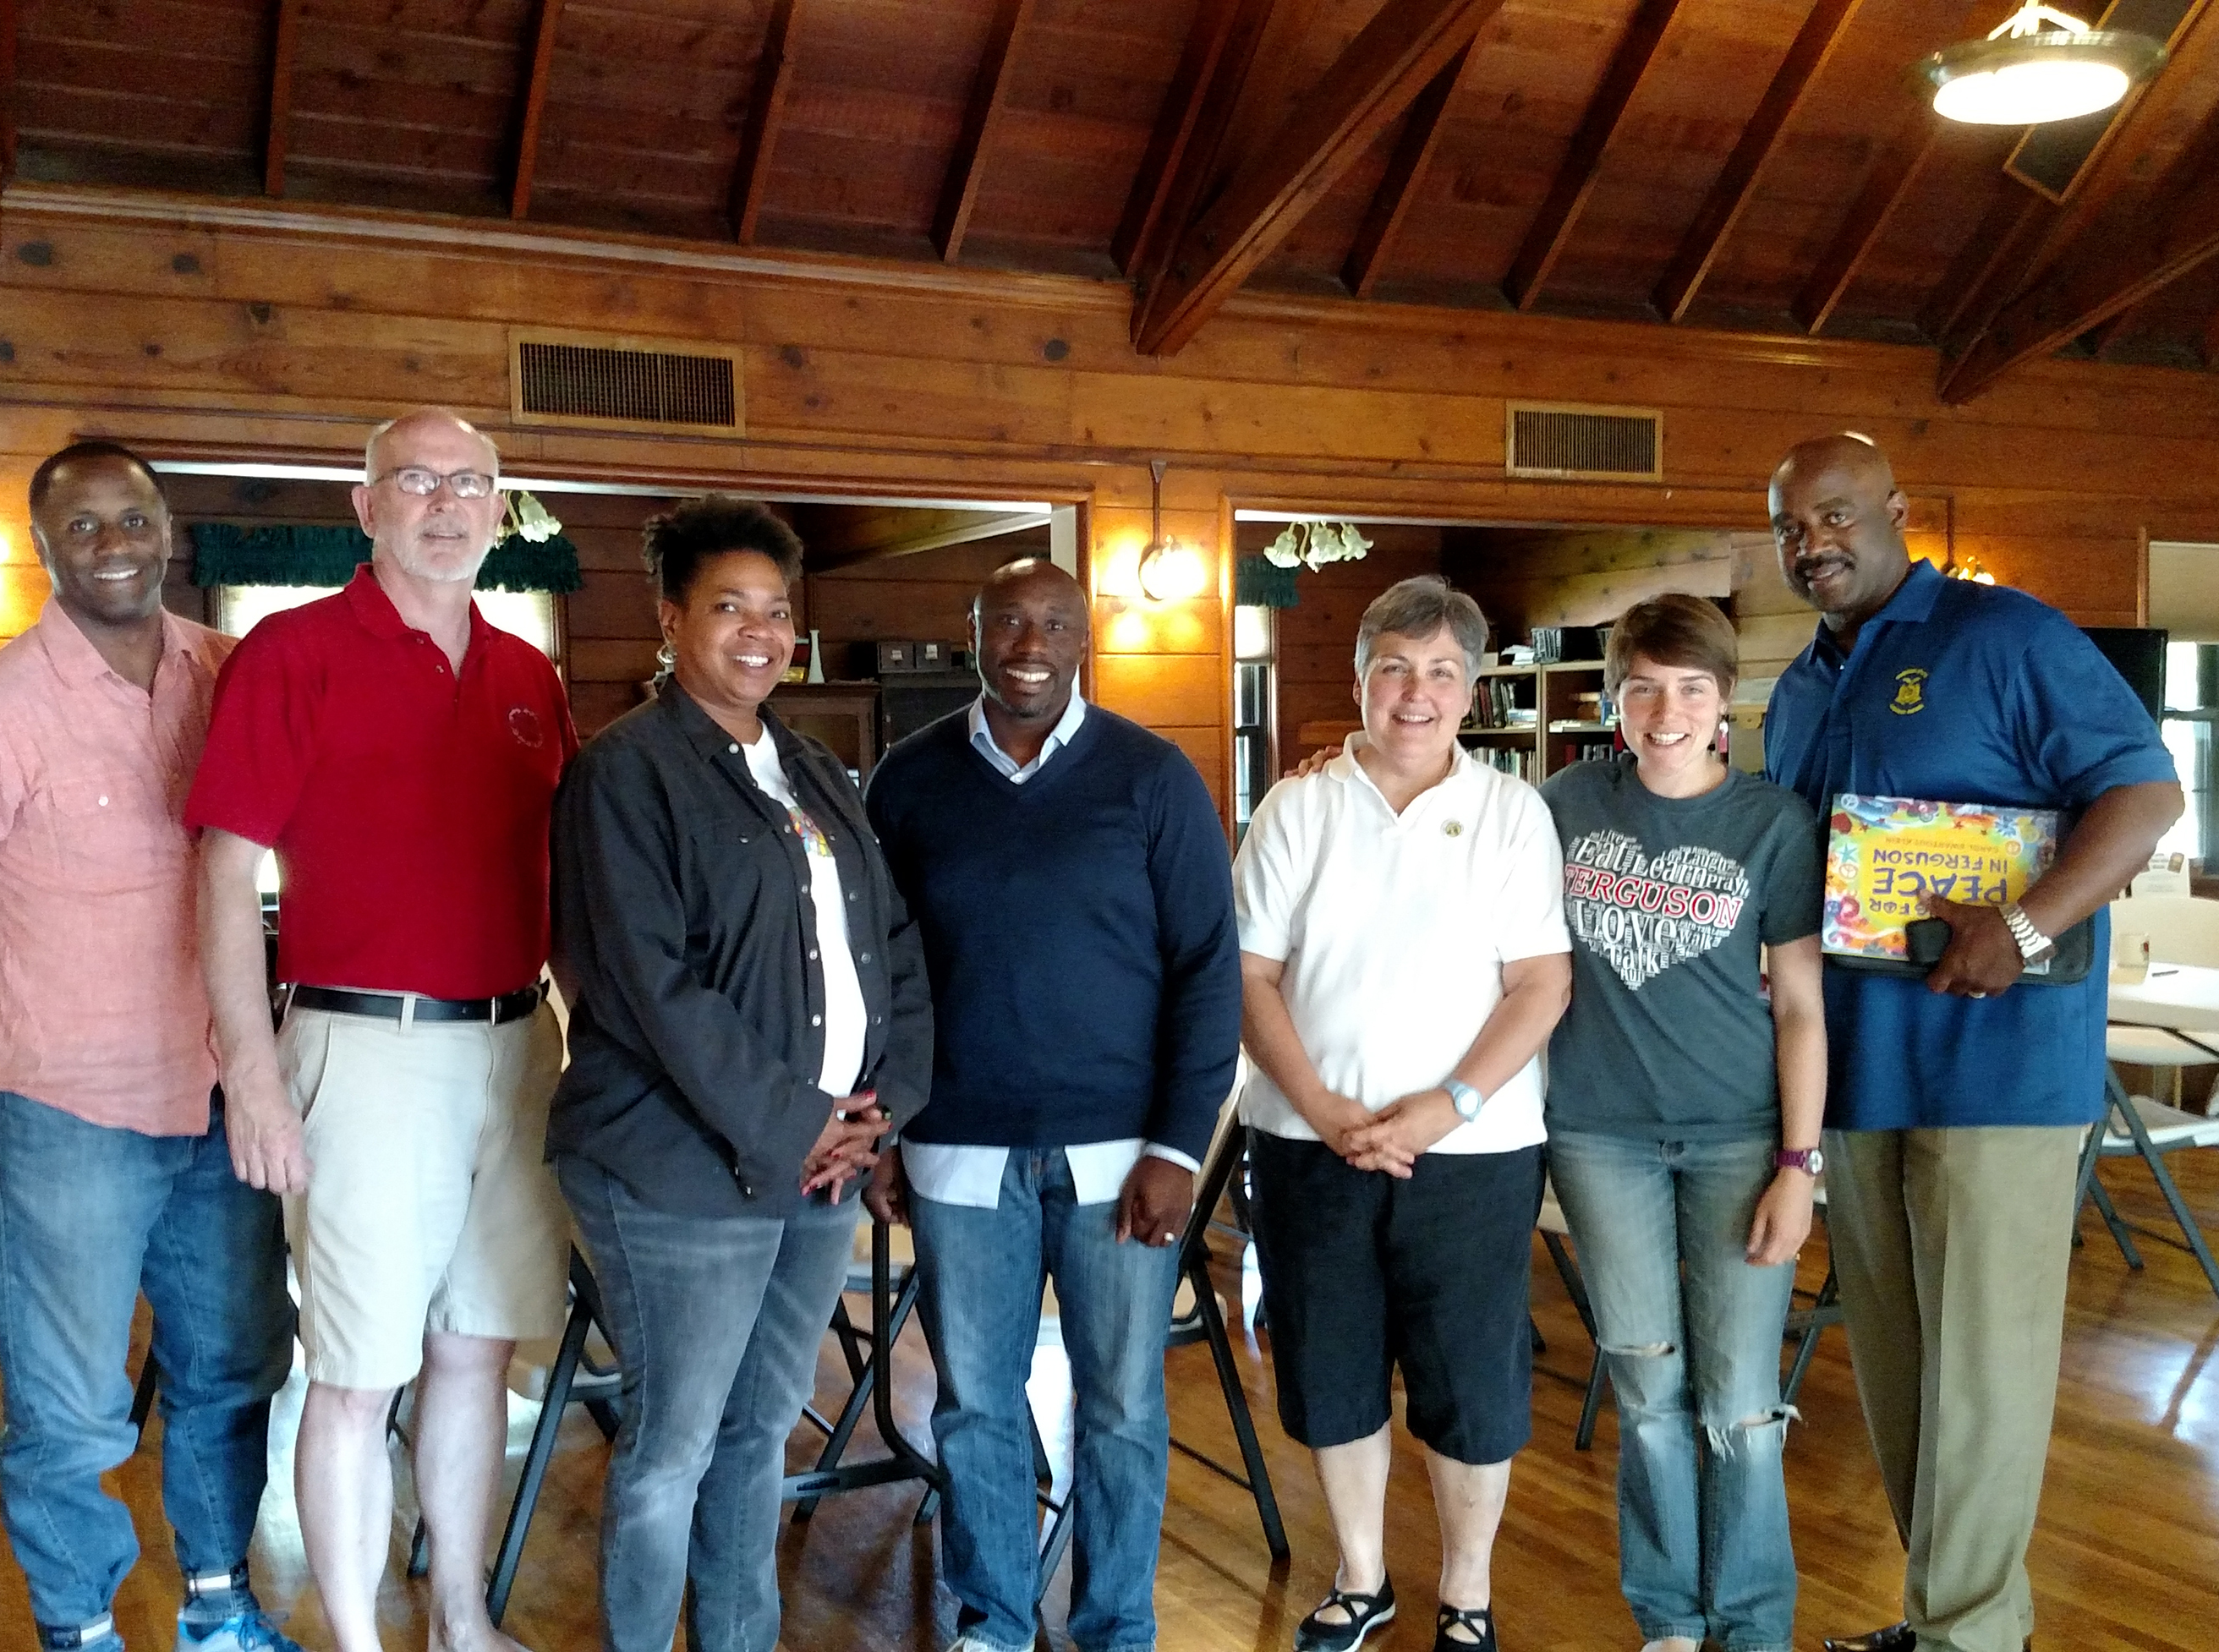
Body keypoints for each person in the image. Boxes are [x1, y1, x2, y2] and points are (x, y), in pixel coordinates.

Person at [0, 442, 299, 1652]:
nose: (115, 543)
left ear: (168, 528)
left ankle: (219, 1604)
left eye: (135, 517)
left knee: (232, 1366)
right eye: (84, 526)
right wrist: (16, 1004)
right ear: (44, 546)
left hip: (222, 1090)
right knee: (72, 1409)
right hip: (62, 1103)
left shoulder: (229, 673)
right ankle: (80, 1625)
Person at [1763, 435, 2182, 1652]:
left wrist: (2025, 919)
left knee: (1983, 1374)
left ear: (1897, 512)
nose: (1813, 544)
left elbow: (2147, 794)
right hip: (1861, 1065)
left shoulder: (2009, 637)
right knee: (1898, 1370)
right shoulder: (1800, 681)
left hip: (2000, 1067)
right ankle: (1949, 1616)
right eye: (1792, 528)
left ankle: (1968, 1638)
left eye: (1835, 515)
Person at [187, 408, 576, 1652]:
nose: (448, 504)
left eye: (473, 483)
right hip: (364, 1046)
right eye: (417, 480)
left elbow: (561, 881)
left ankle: (462, 1618)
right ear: (367, 506)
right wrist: (251, 1070)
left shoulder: (527, 675)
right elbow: (224, 864)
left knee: (475, 1349)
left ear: (500, 509)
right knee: (357, 1373)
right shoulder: (292, 652)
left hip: (518, 1044)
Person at [547, 495, 933, 1652]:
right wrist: (800, 1121)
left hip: (816, 1167)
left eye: (777, 609)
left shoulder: (811, 769)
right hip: (675, 1166)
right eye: (729, 606)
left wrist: (883, 1110)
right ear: (672, 620)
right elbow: (649, 987)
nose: (761, 631)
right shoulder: (626, 774)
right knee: (673, 1443)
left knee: (761, 1432)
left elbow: (893, 945)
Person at [863, 557, 1243, 1652]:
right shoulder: (909, 778)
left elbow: (1207, 969)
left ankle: (1117, 1622)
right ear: (972, 632)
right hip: (955, 1148)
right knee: (975, 1405)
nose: (1031, 641)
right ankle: (991, 1617)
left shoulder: (1153, 776)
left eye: (1055, 623)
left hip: (1123, 1157)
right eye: (1010, 621)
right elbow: (879, 965)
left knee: (1121, 1407)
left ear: (1087, 641)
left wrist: (1179, 1144)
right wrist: (886, 1123)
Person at [1233, 575, 1572, 1652]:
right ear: (1360, 676)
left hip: (1474, 1151)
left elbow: (1541, 985)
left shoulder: (1516, 811)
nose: (1415, 694)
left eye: (1440, 673)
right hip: (1304, 1143)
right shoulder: (1297, 806)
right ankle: (1363, 1575)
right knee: (1331, 1371)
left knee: (1471, 1382)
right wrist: (1327, 1108)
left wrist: (1445, 1105)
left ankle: (1466, 1592)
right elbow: (1249, 980)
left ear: (1471, 689)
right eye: (1395, 667)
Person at [1539, 594, 1827, 1652]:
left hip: (1741, 1137)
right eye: (1645, 687)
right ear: (1613, 697)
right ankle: (1667, 1615)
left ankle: (1751, 1625)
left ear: (1726, 704)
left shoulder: (1772, 821)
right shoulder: (1562, 802)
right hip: (1598, 1133)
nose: (1667, 710)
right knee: (1649, 1384)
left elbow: (1800, 1004)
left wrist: (1799, 1165)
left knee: (1743, 1400)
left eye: (1691, 688)